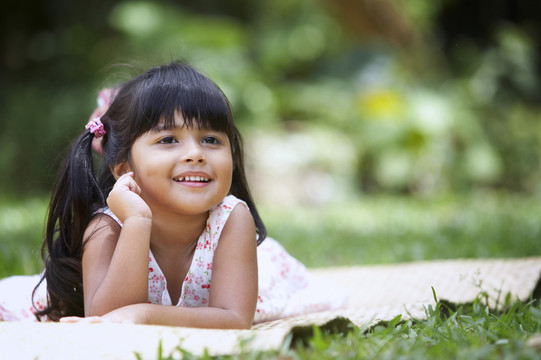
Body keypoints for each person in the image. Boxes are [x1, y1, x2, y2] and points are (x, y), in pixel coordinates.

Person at [0, 60, 346, 328]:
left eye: (211, 140)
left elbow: (234, 319)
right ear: (122, 167)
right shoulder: (107, 227)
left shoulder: (230, 219)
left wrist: (146, 314)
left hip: (248, 271)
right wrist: (137, 221)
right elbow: (105, 319)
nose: (196, 153)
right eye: (168, 140)